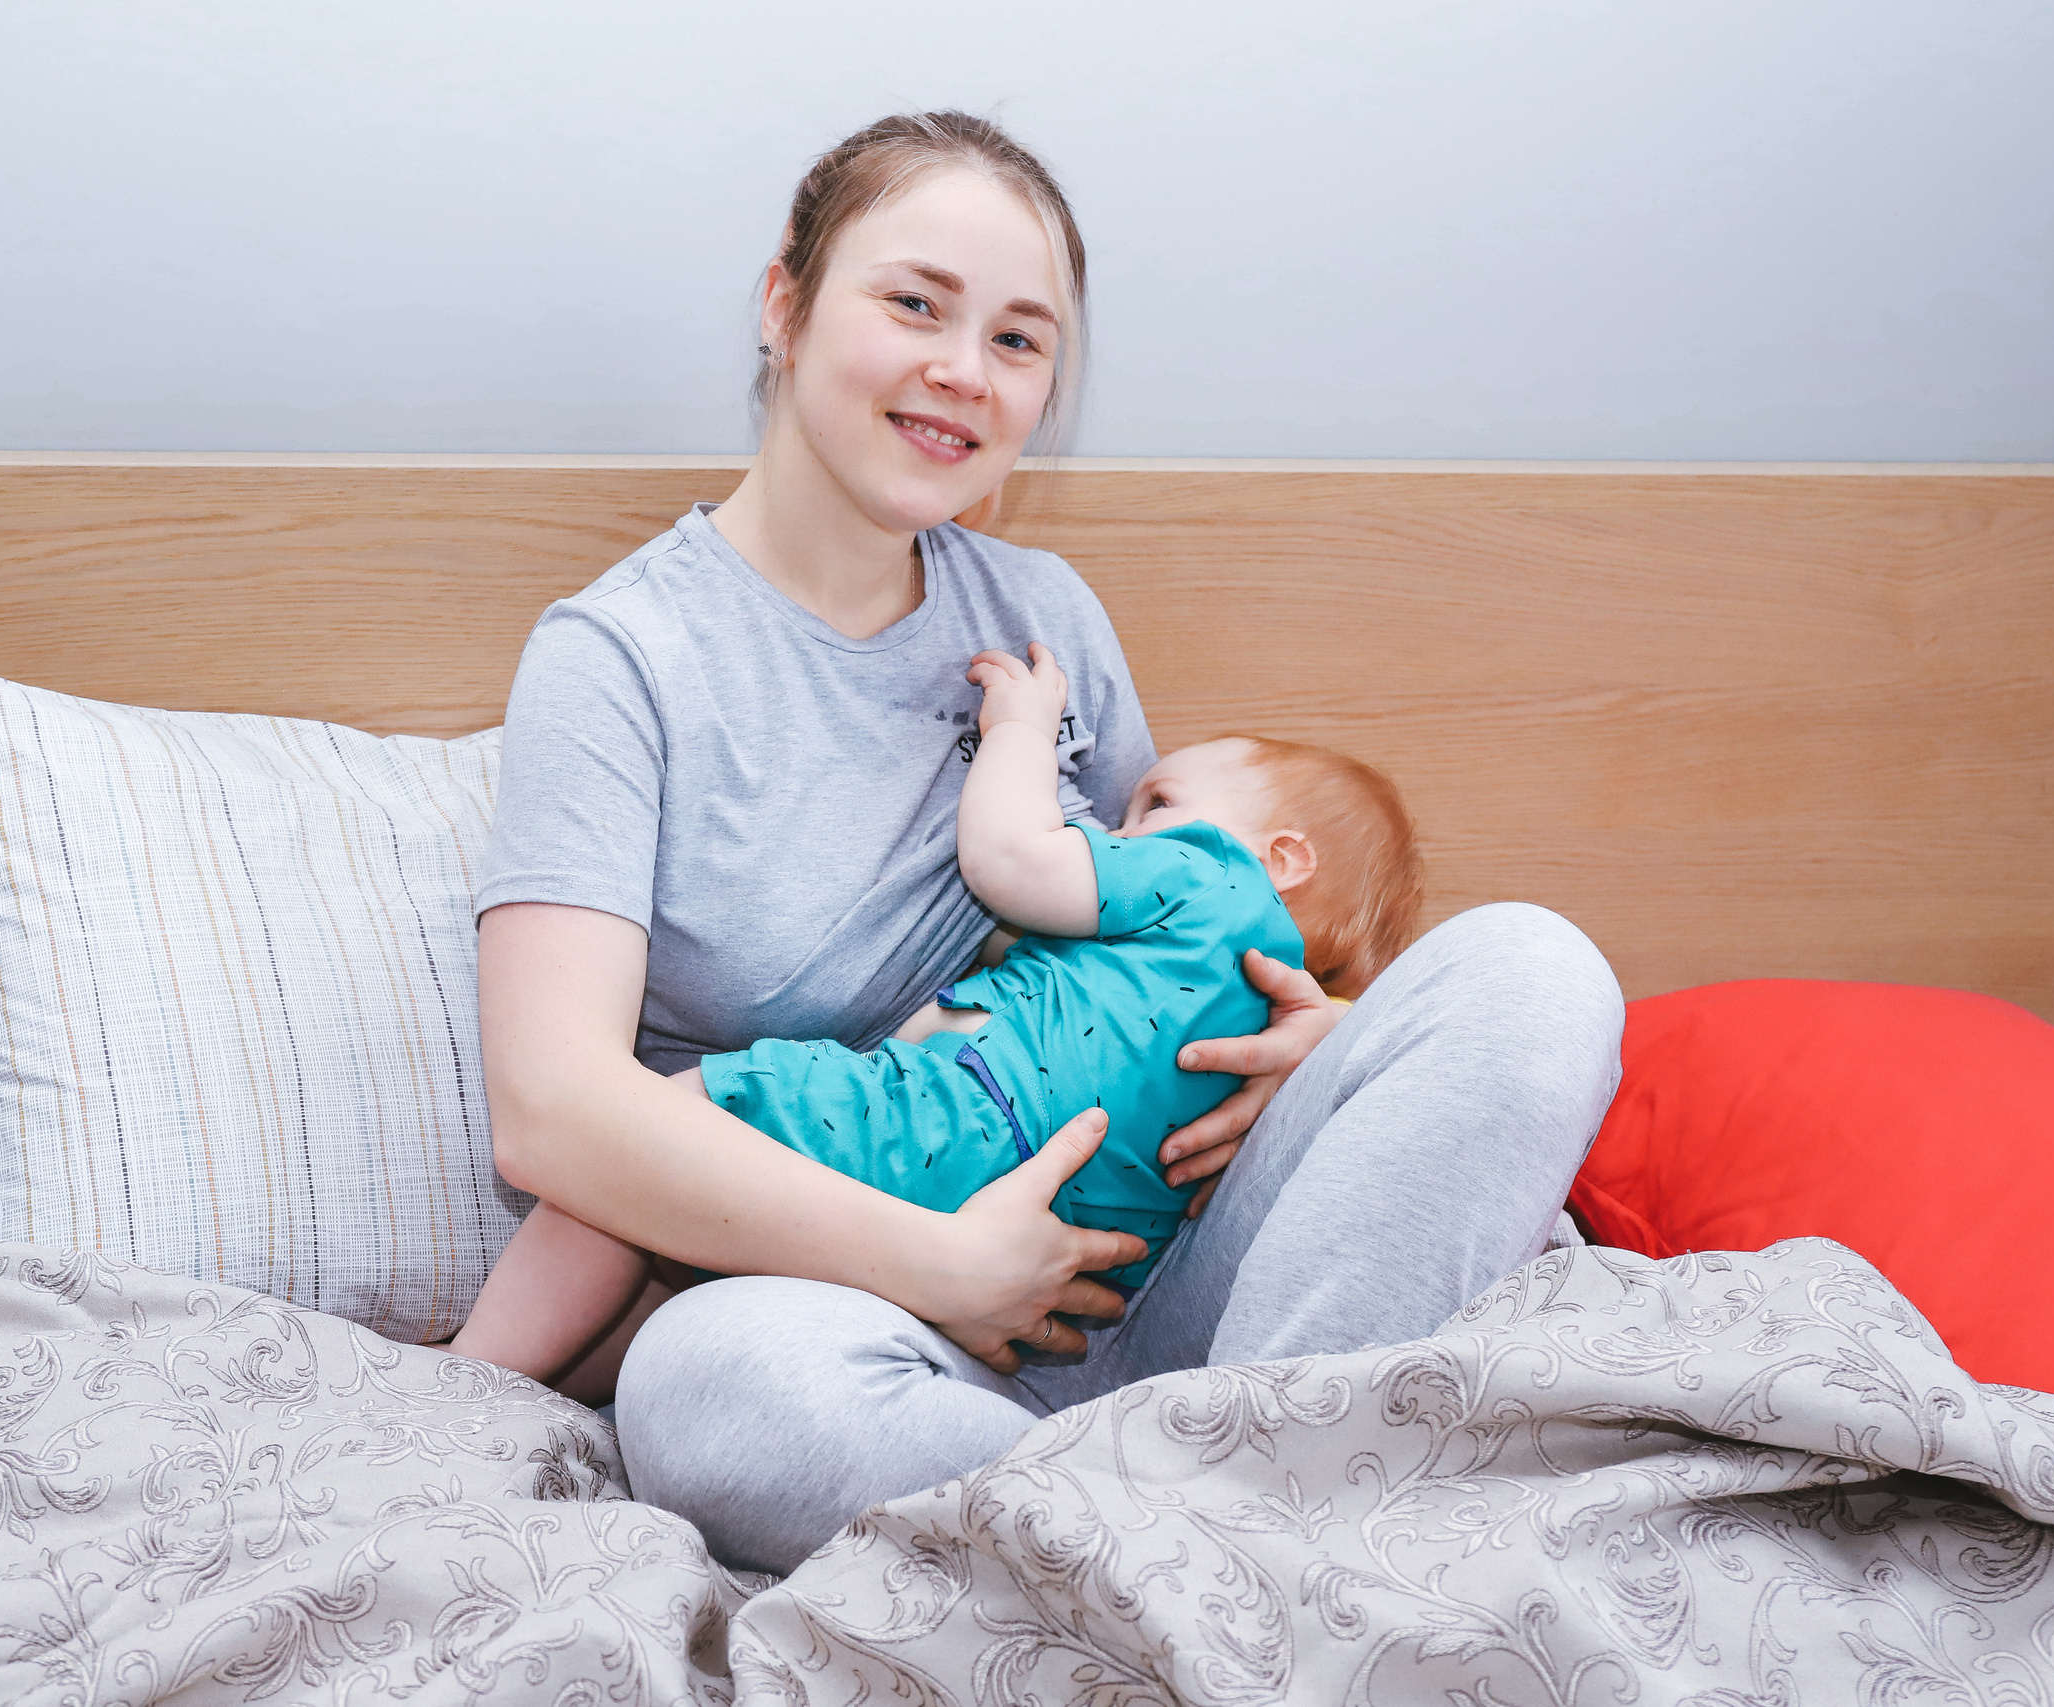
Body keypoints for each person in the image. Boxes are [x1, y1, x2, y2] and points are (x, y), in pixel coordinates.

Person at [468, 110, 1625, 1574]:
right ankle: (1248, 1547)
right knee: (705, 1387)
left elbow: (1174, 934)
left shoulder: (1044, 616)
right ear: (784, 303)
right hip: (876, 1318)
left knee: (1538, 967)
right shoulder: (622, 657)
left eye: (1020, 341)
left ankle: (1222, 1514)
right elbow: (552, 1110)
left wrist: (1310, 1038)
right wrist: (946, 1266)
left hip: (1176, 1285)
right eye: (916, 303)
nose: (967, 368)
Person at [453, 635, 1424, 1376]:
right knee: (682, 1296)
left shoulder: (1204, 872)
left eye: (1154, 803)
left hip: (945, 1128)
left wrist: (1018, 736)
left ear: (1280, 856)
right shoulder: (1246, 1006)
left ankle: (469, 1382)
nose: (1124, 828)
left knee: (650, 1139)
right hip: (1075, 1265)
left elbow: (1009, 861)